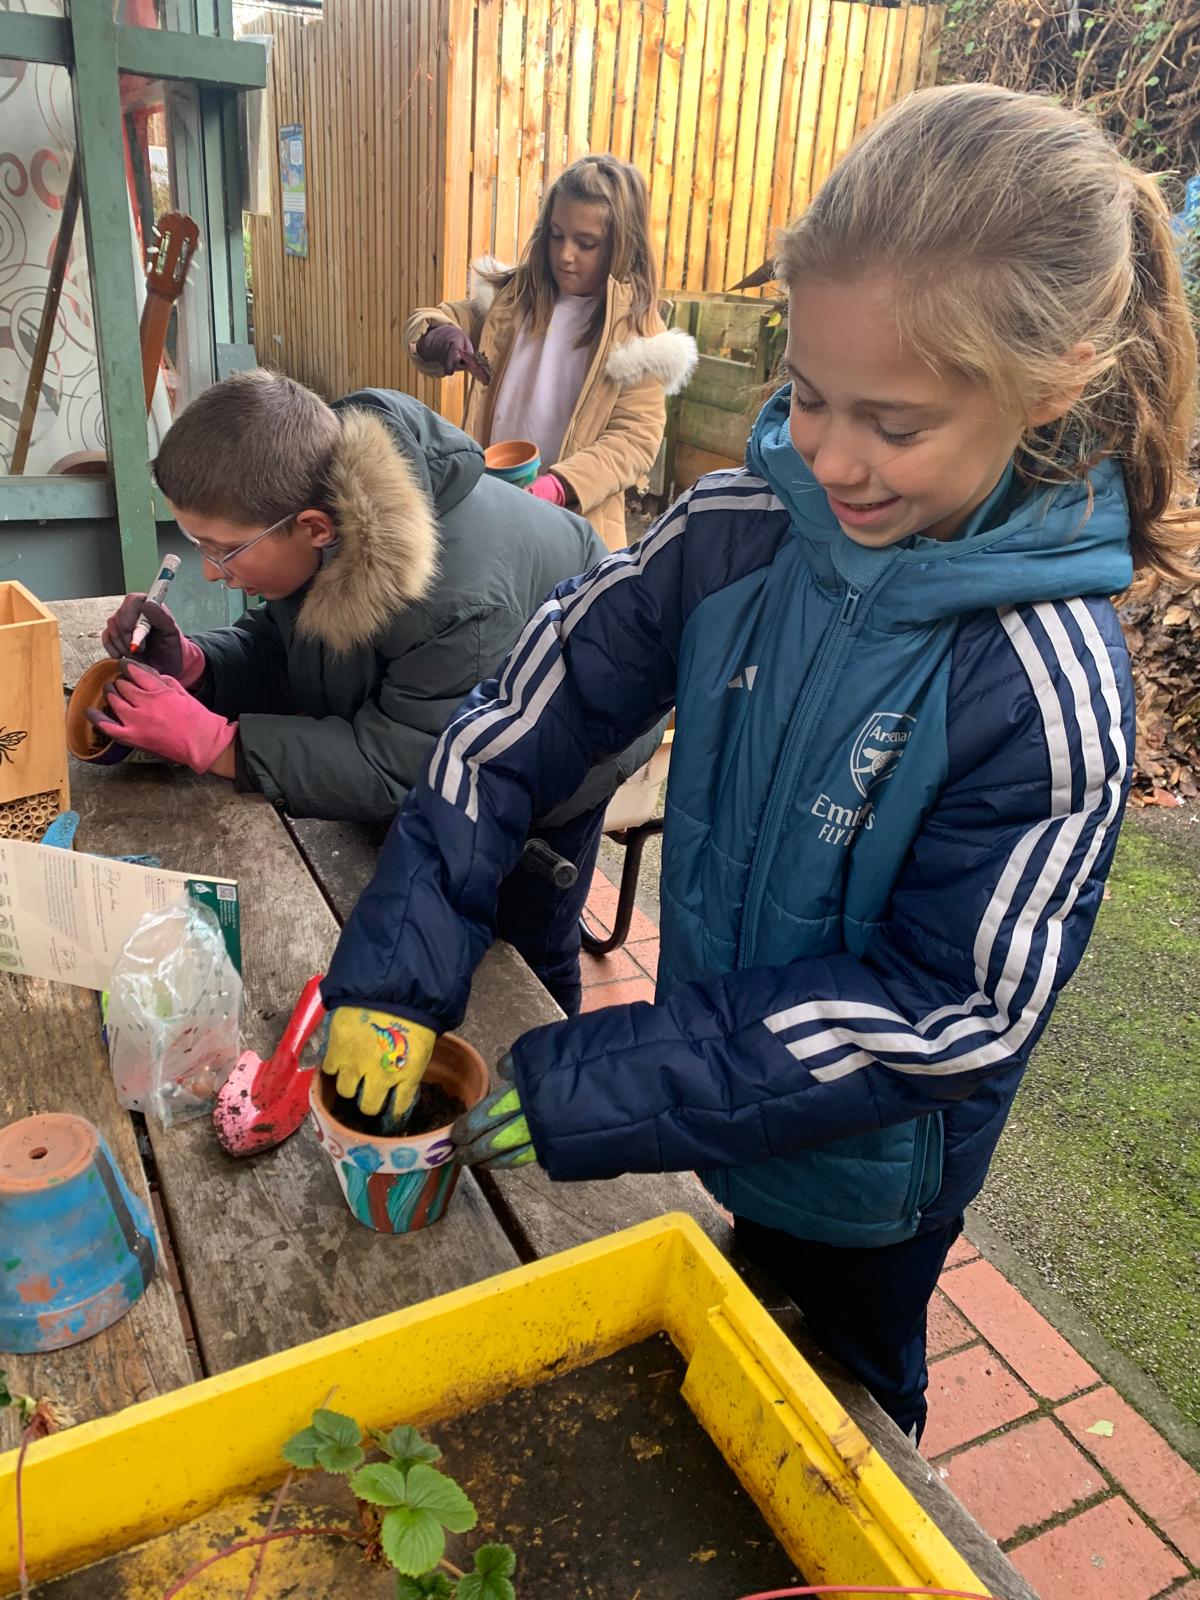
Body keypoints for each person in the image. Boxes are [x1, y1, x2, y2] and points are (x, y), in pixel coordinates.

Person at [317, 84, 1199, 1441]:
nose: (829, 454)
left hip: (866, 1181)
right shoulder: (736, 531)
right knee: (725, 1346)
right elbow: (518, 726)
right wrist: (396, 969)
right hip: (721, 1103)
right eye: (811, 394)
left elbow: (950, 1010)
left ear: (1054, 382)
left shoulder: (1044, 689)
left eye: (893, 423)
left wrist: (604, 1084)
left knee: (844, 1414)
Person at [92, 370, 659, 1015]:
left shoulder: (456, 602)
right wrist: (199, 665)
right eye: (198, 544)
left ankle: (550, 1052)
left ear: (314, 527)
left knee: (527, 942)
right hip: (442, 717)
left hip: (563, 746)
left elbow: (405, 765)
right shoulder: (321, 498)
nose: (210, 571)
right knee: (424, 903)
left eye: (223, 551)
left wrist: (218, 742)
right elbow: (290, 648)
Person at [405, 154, 697, 551]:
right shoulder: (514, 298)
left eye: (586, 243)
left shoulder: (640, 338)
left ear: (622, 244)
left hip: (572, 531)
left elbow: (634, 441)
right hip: (489, 503)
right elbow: (437, 317)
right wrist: (437, 334)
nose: (565, 255)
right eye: (557, 236)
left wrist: (559, 486)